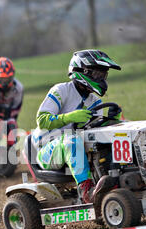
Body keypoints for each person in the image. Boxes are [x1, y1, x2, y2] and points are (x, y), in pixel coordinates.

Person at [31, 49, 122, 204]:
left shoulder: (95, 102)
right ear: (83, 71)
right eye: (97, 74)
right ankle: (86, 190)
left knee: (108, 141)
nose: (101, 79)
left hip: (75, 148)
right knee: (71, 140)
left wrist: (112, 120)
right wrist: (70, 117)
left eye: (103, 75)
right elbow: (42, 120)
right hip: (46, 149)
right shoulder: (61, 90)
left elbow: (95, 129)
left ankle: (117, 180)